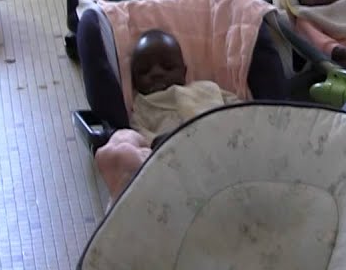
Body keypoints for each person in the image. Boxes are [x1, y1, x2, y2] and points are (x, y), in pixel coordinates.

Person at [94, 29, 238, 202]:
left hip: (223, 148)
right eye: (145, 71)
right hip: (176, 164)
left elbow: (241, 108)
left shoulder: (206, 88)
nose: (157, 73)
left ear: (184, 72)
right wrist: (158, 142)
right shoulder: (143, 106)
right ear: (134, 81)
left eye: (168, 67)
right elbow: (140, 137)